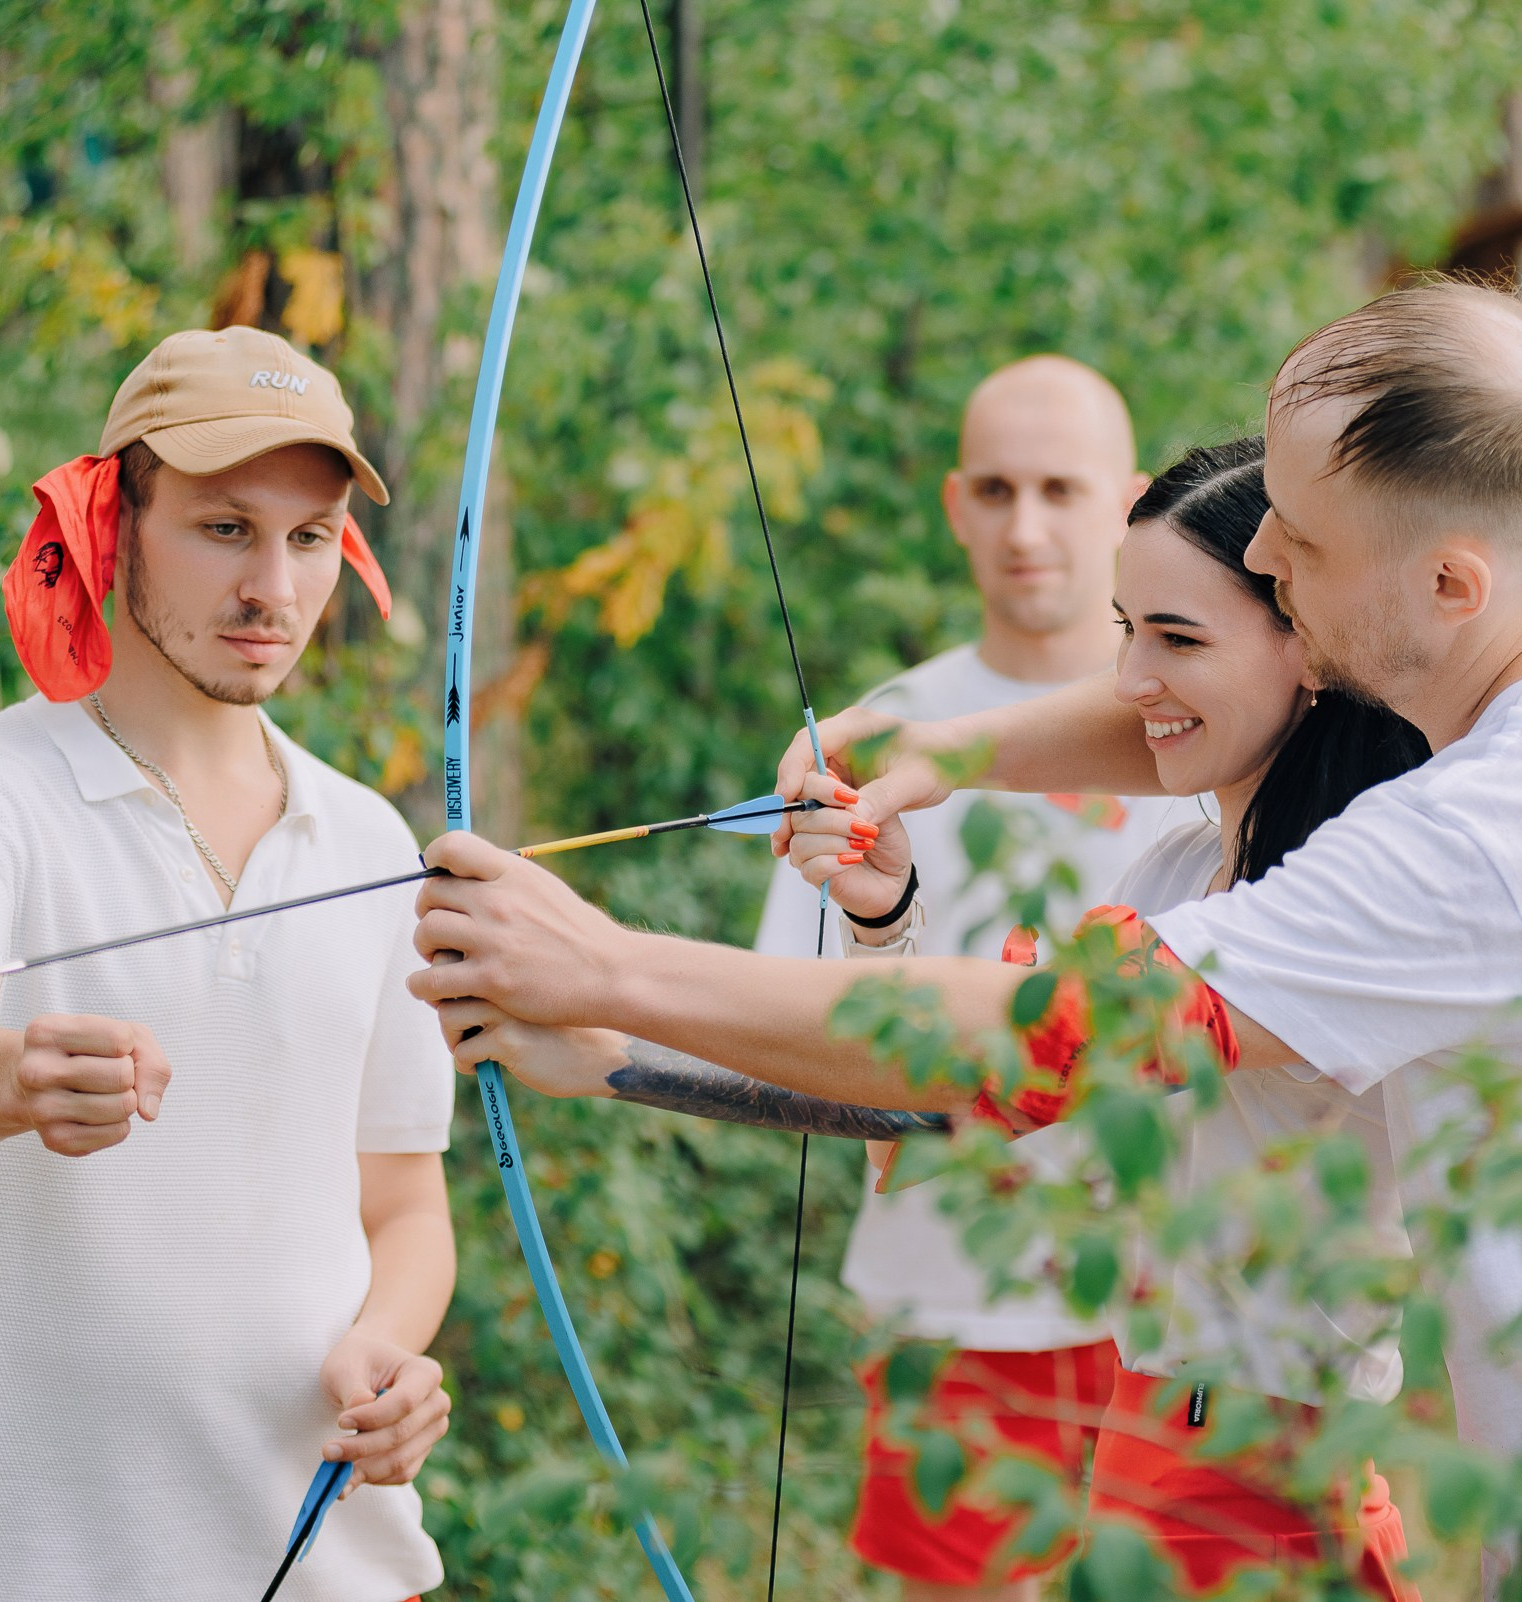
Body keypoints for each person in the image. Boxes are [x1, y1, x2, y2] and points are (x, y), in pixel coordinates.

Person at [407, 280, 1522, 1600]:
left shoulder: (1488, 833)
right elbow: (1254, 702)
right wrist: (951, 747)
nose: (1267, 556)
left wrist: (605, 969)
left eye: (1301, 544)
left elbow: (1044, 1037)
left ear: (1449, 578)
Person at [436, 436, 1431, 1597]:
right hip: (1155, 1449)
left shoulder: (1340, 900)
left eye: (1179, 638)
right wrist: (624, 1058)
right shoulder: (1178, 874)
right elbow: (948, 1109)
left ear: (1309, 642)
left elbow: (1008, 1044)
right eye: (1127, 631)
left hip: (1271, 1491)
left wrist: (603, 965)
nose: (1128, 680)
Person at [0, 327, 456, 1602]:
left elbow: (404, 1205)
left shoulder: (372, 841)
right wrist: (10, 1072)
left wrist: (389, 1349)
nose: (273, 586)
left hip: (329, 1560)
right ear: (112, 525)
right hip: (12, 1559)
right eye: (224, 529)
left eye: (309, 538)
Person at [752, 355, 1193, 1599]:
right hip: (957, 1296)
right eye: (995, 491)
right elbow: (787, 1026)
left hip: (1178, 1294)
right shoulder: (876, 733)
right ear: (955, 505)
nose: (1026, 528)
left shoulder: (1206, 714)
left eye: (1061, 489)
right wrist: (879, 926)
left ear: (1132, 502)